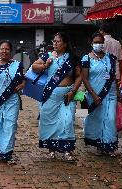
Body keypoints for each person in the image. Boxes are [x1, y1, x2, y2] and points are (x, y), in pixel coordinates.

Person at [32, 32, 82, 161]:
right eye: (54, 41)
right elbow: (34, 67)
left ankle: (67, 150)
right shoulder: (47, 56)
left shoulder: (72, 57)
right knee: (48, 121)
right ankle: (51, 149)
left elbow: (79, 76)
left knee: (67, 120)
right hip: (50, 94)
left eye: (58, 41)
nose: (55, 43)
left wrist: (73, 91)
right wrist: (45, 65)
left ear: (65, 43)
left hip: (67, 95)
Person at [81, 33, 119, 157]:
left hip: (110, 93)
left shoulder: (110, 58)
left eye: (100, 42)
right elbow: (85, 78)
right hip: (94, 94)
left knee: (110, 119)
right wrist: (94, 95)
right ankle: (99, 145)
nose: (99, 44)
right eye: (96, 42)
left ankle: (110, 145)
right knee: (97, 119)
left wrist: (119, 93)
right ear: (91, 43)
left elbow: (113, 77)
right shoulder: (86, 58)